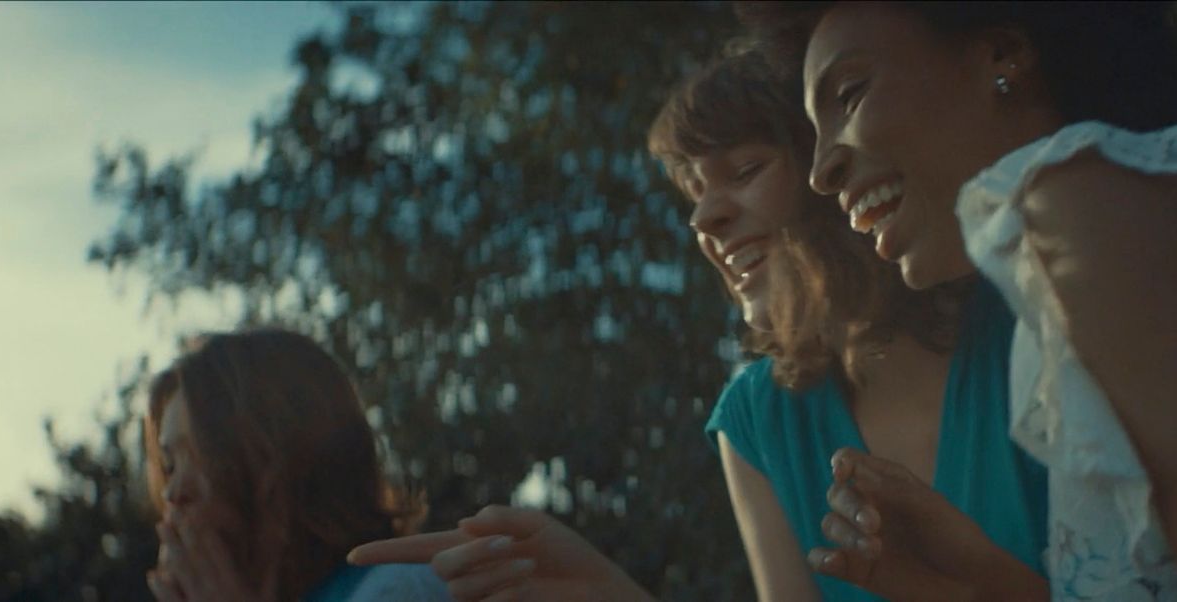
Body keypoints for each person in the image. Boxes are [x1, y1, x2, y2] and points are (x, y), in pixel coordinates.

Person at [737, 1, 1177, 600]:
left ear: (1002, 55)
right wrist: (989, 588)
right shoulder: (1091, 231)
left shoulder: (1082, 207)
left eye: (850, 94)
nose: (822, 171)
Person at [350, 49, 1049, 602]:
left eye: (743, 170)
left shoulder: (1034, 320)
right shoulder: (756, 420)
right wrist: (607, 592)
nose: (704, 220)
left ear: (839, 165)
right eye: (694, 191)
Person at [143, 329, 451, 601]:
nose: (173, 492)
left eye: (205, 455)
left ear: (289, 458)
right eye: (170, 465)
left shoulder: (398, 590)